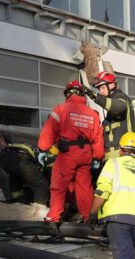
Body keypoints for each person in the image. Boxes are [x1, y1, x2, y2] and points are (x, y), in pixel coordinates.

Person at [39, 80, 104, 226]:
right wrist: (98, 157)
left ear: (68, 93)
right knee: (84, 187)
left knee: (58, 185)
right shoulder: (93, 114)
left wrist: (44, 148)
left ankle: (54, 217)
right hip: (86, 155)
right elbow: (98, 139)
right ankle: (88, 217)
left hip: (67, 154)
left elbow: (48, 131)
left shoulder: (60, 109)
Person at [84, 71, 135, 161]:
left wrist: (95, 97)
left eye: (103, 88)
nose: (101, 91)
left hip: (121, 154)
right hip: (114, 155)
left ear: (112, 85)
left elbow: (118, 107)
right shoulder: (112, 100)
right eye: (99, 89)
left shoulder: (121, 96)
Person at [0, 134, 49, 205]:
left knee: (17, 188)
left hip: (7, 161)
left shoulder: (15, 146)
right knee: (41, 185)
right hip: (21, 161)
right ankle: (38, 210)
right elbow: (43, 164)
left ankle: (19, 205)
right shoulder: (44, 153)